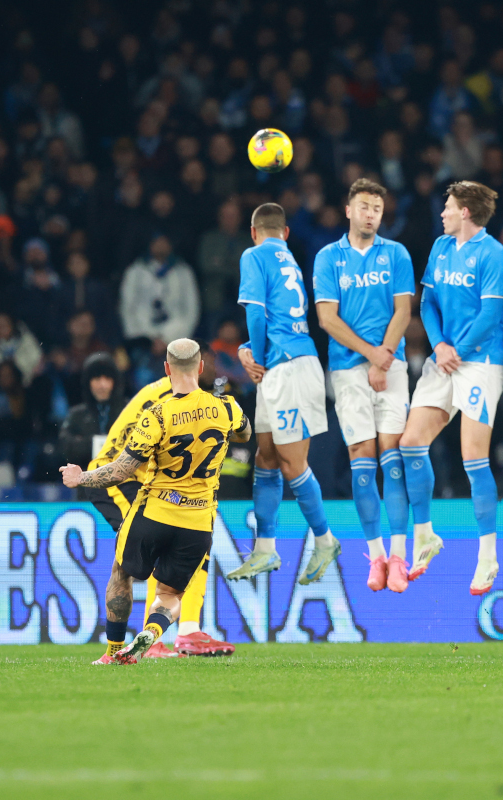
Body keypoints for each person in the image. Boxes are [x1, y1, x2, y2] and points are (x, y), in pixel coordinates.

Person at [60, 338, 252, 665]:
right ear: (201, 365)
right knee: (163, 567)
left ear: (167, 366)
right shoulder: (206, 403)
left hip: (145, 483)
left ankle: (174, 634)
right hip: (119, 486)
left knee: (129, 566)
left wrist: (79, 478)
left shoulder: (167, 406)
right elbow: (244, 433)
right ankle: (164, 635)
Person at [398, 181, 503, 593]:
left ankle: (487, 557)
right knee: (410, 443)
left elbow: (491, 313)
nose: (442, 213)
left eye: (448, 207)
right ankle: (426, 534)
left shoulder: (493, 254)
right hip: (444, 357)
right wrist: (439, 346)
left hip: (479, 363)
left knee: (472, 457)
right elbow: (426, 303)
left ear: (465, 211)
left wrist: (456, 349)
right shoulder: (441, 248)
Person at [227, 203, 338, 584]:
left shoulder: (253, 255)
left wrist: (254, 356)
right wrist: (250, 349)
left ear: (254, 231)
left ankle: (325, 540)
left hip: (287, 367)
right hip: (289, 362)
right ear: (285, 233)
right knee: (267, 456)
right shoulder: (288, 259)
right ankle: (265, 549)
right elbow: (279, 320)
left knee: (292, 463)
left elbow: (256, 314)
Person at [314, 179, 414, 593]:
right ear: (349, 210)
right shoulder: (327, 258)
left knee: (393, 454)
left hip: (392, 363)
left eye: (377, 207)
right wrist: (372, 356)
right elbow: (327, 319)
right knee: (361, 455)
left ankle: (398, 556)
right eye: (365, 206)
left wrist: (384, 355)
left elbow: (404, 309)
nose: (372, 213)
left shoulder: (396, 254)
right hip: (348, 369)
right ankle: (374, 555)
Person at [58, 352, 124, 469]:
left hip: (123, 482)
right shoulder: (76, 414)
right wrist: (95, 444)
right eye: (97, 378)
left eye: (108, 378)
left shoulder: (129, 411)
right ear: (88, 383)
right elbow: (65, 448)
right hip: (86, 480)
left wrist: (85, 443)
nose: (103, 385)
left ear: (115, 382)